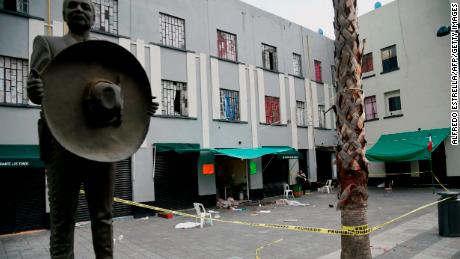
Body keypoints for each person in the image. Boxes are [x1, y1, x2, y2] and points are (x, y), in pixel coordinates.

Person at [27, 1, 158, 258]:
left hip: (103, 143)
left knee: (103, 216)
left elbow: (120, 97)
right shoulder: (48, 44)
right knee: (63, 219)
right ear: (64, 13)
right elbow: (37, 90)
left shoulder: (106, 55)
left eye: (85, 6)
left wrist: (140, 108)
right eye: (72, 5)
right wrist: (34, 91)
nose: (79, 10)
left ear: (94, 16)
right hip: (61, 142)